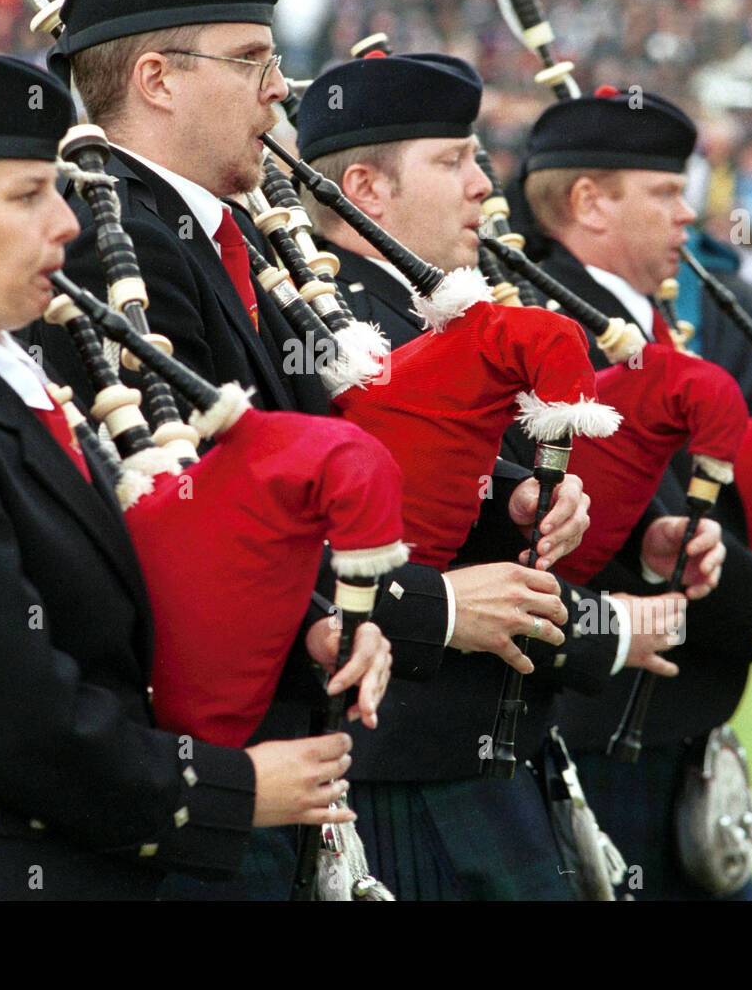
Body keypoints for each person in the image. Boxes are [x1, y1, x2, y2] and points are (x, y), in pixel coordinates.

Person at [39, 0, 587, 898]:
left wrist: (505, 495)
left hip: (286, 752)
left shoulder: (217, 237)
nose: (280, 89)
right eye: (250, 60)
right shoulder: (113, 244)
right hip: (212, 762)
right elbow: (202, 527)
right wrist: (440, 607)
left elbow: (339, 440)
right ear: (158, 80)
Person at [0, 52, 390, 899]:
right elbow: (12, 726)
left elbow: (125, 578)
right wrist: (232, 791)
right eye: (27, 196)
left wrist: (294, 623)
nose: (67, 224)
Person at [292, 51, 724, 898]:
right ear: (366, 190)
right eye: (452, 161)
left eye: (477, 158)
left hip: (497, 747)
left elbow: (496, 483)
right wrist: (602, 628)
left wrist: (560, 503)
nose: (484, 185)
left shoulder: (461, 310)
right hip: (404, 764)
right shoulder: (332, 326)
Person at [519, 85, 752, 900]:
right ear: (589, 202)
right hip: (607, 731)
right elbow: (664, 531)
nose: (687, 214)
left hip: (660, 727)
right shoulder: (562, 335)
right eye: (663, 192)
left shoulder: (637, 324)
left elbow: (697, 502)